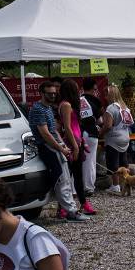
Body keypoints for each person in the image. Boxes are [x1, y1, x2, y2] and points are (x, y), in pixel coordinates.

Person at [27, 81, 86, 222]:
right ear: (42, 93)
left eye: (55, 93)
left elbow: (54, 131)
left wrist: (63, 146)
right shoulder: (38, 109)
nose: (53, 95)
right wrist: (61, 147)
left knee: (65, 178)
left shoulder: (47, 108)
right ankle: (70, 211)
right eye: (50, 93)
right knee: (62, 179)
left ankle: (70, 210)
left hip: (55, 147)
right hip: (48, 148)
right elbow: (45, 134)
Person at [57, 80, 92, 217]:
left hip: (78, 141)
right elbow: (68, 127)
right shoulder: (65, 105)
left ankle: (83, 203)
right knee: (68, 176)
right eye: (76, 89)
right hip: (72, 143)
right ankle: (62, 207)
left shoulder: (70, 104)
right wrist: (76, 147)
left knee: (78, 176)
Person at [100, 85, 133, 197]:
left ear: (110, 95)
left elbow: (108, 126)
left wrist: (100, 133)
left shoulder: (110, 108)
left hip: (114, 139)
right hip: (125, 137)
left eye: (106, 94)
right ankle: (127, 183)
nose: (104, 97)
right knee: (124, 162)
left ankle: (115, 186)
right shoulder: (125, 107)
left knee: (113, 163)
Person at [78, 78, 101, 197]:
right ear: (94, 88)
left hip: (77, 133)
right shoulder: (95, 101)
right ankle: (89, 187)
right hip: (91, 133)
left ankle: (77, 186)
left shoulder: (77, 100)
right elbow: (100, 120)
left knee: (77, 160)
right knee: (90, 161)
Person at [120, 74, 135, 165]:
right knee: (131, 142)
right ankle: (133, 160)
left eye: (133, 87)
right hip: (126, 123)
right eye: (130, 87)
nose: (132, 89)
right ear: (126, 88)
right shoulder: (121, 97)